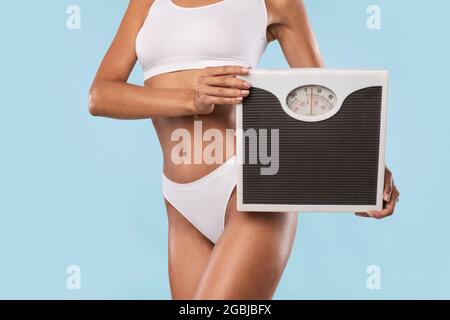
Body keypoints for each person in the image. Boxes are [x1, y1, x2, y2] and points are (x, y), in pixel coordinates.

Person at [88, 0, 400, 299]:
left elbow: (322, 100)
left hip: (248, 187)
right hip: (179, 204)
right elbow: (100, 95)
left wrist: (367, 172)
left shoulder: (274, 2)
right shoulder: (147, 2)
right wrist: (189, 99)